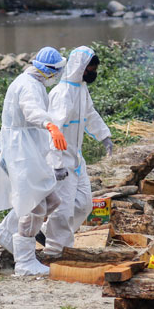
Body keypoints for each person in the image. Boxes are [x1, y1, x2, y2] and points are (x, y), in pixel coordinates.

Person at [0, 46, 69, 276]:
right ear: (48, 70)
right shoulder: (28, 86)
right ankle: (24, 262)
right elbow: (31, 110)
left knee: (51, 200)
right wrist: (50, 125)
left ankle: (7, 232)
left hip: (28, 149)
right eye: (56, 71)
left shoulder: (34, 83)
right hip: (20, 152)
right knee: (34, 205)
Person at [42, 46, 112, 256]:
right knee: (62, 210)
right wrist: (56, 164)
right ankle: (56, 251)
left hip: (76, 158)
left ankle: (46, 232)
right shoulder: (62, 95)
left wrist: (104, 136)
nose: (93, 73)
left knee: (83, 205)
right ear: (80, 67)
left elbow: (90, 115)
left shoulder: (81, 88)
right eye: (90, 69)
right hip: (61, 160)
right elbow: (53, 132)